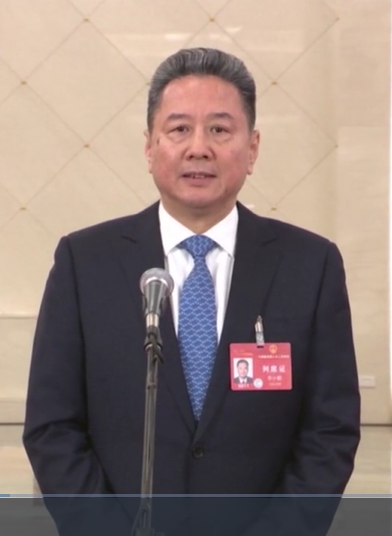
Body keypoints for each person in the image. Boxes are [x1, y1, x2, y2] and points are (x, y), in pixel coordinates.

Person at [23, 47, 360, 536]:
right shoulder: (84, 262)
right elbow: (52, 426)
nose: (198, 148)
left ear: (252, 148)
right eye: (179, 129)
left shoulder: (310, 265)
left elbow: (330, 431)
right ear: (149, 146)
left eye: (220, 130)